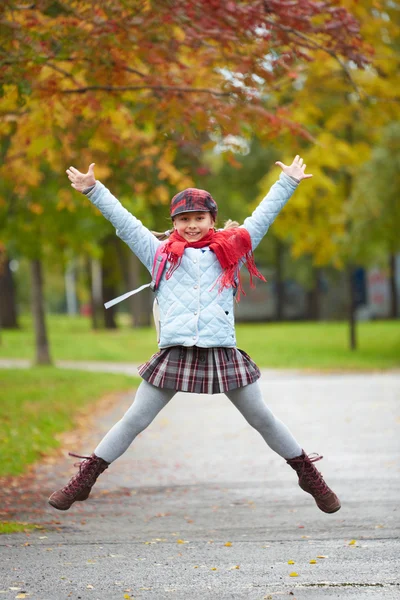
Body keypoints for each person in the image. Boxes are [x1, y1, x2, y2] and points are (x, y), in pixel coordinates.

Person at [48, 156, 340, 514]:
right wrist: (94, 189)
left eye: (199, 218)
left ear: (212, 220)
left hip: (221, 352)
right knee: (135, 419)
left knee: (261, 417)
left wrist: (288, 183)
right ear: (174, 222)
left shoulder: (233, 248)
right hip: (175, 352)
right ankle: (85, 479)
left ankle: (307, 474)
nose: (191, 225)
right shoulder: (157, 254)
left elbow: (262, 217)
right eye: (184, 219)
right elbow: (125, 223)